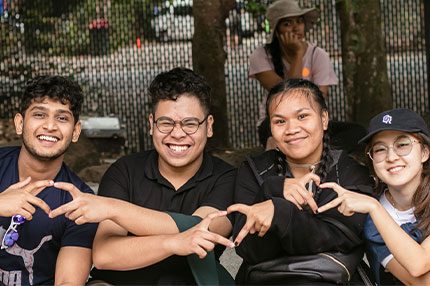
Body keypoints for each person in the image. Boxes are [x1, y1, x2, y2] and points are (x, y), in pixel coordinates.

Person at [59, 67, 235, 285]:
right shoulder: (124, 171)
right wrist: (173, 243)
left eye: (190, 124)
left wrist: (114, 208)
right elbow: (105, 256)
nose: (178, 133)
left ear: (208, 126)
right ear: (151, 125)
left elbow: (200, 227)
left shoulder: (227, 177)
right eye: (166, 123)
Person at [227, 79, 373, 284]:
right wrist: (272, 189)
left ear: (324, 119)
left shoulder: (350, 173)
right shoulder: (254, 171)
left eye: (302, 116)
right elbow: (248, 249)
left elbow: (338, 239)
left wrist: (279, 212)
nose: (291, 128)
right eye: (279, 121)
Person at [0, 75, 98, 285]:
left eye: (62, 118)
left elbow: (68, 282)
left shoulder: (79, 202)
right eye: (39, 114)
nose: (50, 126)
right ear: (20, 123)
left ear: (75, 131)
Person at [317, 108, 430, 285]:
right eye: (380, 149)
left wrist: (374, 207)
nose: (391, 157)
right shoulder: (371, 217)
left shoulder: (373, 208)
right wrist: (375, 208)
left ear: (424, 152)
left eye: (402, 144)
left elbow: (420, 263)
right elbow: (420, 281)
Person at [249, 0, 338, 147]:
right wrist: (298, 55)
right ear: (277, 31)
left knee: (355, 132)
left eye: (299, 21)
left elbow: (320, 98)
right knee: (271, 129)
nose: (296, 28)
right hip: (276, 122)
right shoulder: (260, 56)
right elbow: (286, 100)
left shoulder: (319, 55)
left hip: (310, 122)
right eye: (287, 24)